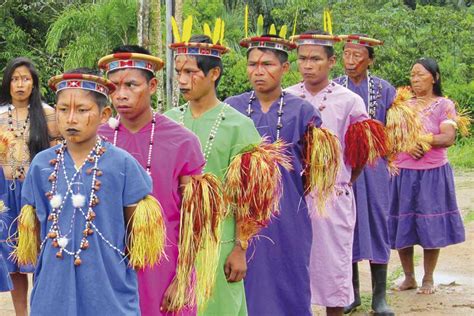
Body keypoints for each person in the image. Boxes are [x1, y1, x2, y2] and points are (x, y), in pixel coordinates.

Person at [13, 68, 165, 315]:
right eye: (63, 110)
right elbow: (37, 235)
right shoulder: (41, 165)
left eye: (82, 110)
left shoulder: (123, 165)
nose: (71, 119)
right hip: (52, 292)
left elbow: (136, 239)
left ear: (104, 114)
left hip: (108, 292)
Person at [226, 29, 340, 315]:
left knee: (290, 276)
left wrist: (289, 192)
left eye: (268, 65)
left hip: (288, 212)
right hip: (239, 214)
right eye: (253, 64)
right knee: (243, 282)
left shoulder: (303, 111)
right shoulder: (232, 108)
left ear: (285, 68)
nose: (258, 72)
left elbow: (316, 170)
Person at [98, 45, 206, 316]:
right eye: (114, 86)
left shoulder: (183, 141)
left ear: (153, 85)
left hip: (163, 263)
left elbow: (195, 220)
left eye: (131, 85)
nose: (121, 94)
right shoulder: (95, 139)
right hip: (106, 260)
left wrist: (182, 278)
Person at [286, 30, 388, 316]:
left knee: (334, 267)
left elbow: (359, 155)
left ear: (331, 62)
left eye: (316, 59)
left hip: (333, 195)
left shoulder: (349, 101)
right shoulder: (288, 98)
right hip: (294, 195)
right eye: (302, 59)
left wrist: (340, 182)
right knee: (294, 265)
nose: (308, 65)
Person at [389, 57, 466, 295]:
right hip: (403, 173)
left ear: (435, 77)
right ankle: (409, 277)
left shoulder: (444, 105)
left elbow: (448, 137)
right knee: (404, 225)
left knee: (431, 224)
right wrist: (406, 143)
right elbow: (389, 138)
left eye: (421, 74)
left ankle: (428, 278)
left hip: (433, 174)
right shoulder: (400, 106)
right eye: (412, 74)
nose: (415, 79)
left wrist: (423, 140)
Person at [334, 34, 396, 315]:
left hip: (375, 167)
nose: (350, 61)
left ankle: (380, 298)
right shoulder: (334, 87)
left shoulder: (385, 90)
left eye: (357, 56)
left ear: (370, 60)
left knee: (378, 224)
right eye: (346, 54)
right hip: (344, 166)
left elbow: (397, 130)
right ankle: (351, 293)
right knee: (347, 224)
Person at [0, 57, 58, 316]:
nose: (20, 84)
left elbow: (59, 152)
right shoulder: (0, 115)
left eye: (25, 78)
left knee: (39, 257)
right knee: (14, 261)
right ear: (8, 83)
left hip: (38, 194)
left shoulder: (48, 114)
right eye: (14, 78)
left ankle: (42, 310)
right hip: (6, 194)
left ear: (34, 84)